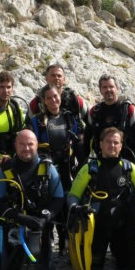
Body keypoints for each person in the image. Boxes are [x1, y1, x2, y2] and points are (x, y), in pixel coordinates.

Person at [67, 127, 135, 270]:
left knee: (127, 267)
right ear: (100, 144)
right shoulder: (89, 168)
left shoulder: (130, 168)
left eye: (116, 142)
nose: (112, 145)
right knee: (94, 268)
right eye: (108, 142)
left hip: (121, 224)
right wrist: (75, 208)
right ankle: (97, 253)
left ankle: (119, 252)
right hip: (97, 225)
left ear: (121, 146)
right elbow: (73, 194)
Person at [0, 130, 64, 270]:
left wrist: (45, 217)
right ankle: (0, 257)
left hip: (40, 225)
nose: (26, 148)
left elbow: (58, 198)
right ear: (15, 146)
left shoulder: (48, 168)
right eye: (22, 144)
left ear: (37, 145)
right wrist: (20, 218)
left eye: (30, 144)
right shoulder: (6, 169)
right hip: (15, 226)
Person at [30, 84, 84, 252]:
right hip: (47, 169)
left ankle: (66, 242)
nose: (53, 100)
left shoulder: (69, 118)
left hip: (67, 166)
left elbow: (79, 140)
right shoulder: (37, 121)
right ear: (44, 101)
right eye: (49, 98)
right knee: (49, 203)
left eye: (56, 96)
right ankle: (47, 241)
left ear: (60, 97)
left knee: (68, 203)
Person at [85, 74, 135, 166]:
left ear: (117, 88)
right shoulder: (94, 112)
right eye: (104, 87)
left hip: (126, 162)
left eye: (111, 86)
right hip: (101, 161)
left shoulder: (129, 110)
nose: (108, 90)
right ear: (100, 90)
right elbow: (86, 138)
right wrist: (84, 162)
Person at [28, 63, 88, 132]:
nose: (56, 78)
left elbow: (89, 123)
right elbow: (28, 126)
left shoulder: (75, 100)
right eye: (53, 75)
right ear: (46, 78)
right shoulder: (36, 103)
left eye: (59, 76)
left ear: (64, 79)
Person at [0, 71, 27, 157]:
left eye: (8, 87)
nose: (5, 91)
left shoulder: (15, 107)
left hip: (13, 155)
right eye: (2, 87)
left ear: (12, 88)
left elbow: (22, 129)